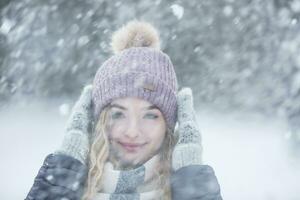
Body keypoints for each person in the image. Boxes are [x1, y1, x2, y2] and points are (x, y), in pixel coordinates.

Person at [26, 20, 223, 200]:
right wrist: (64, 172)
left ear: (169, 125)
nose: (132, 131)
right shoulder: (70, 189)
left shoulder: (186, 192)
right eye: (118, 114)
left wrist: (192, 184)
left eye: (150, 115)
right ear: (100, 120)